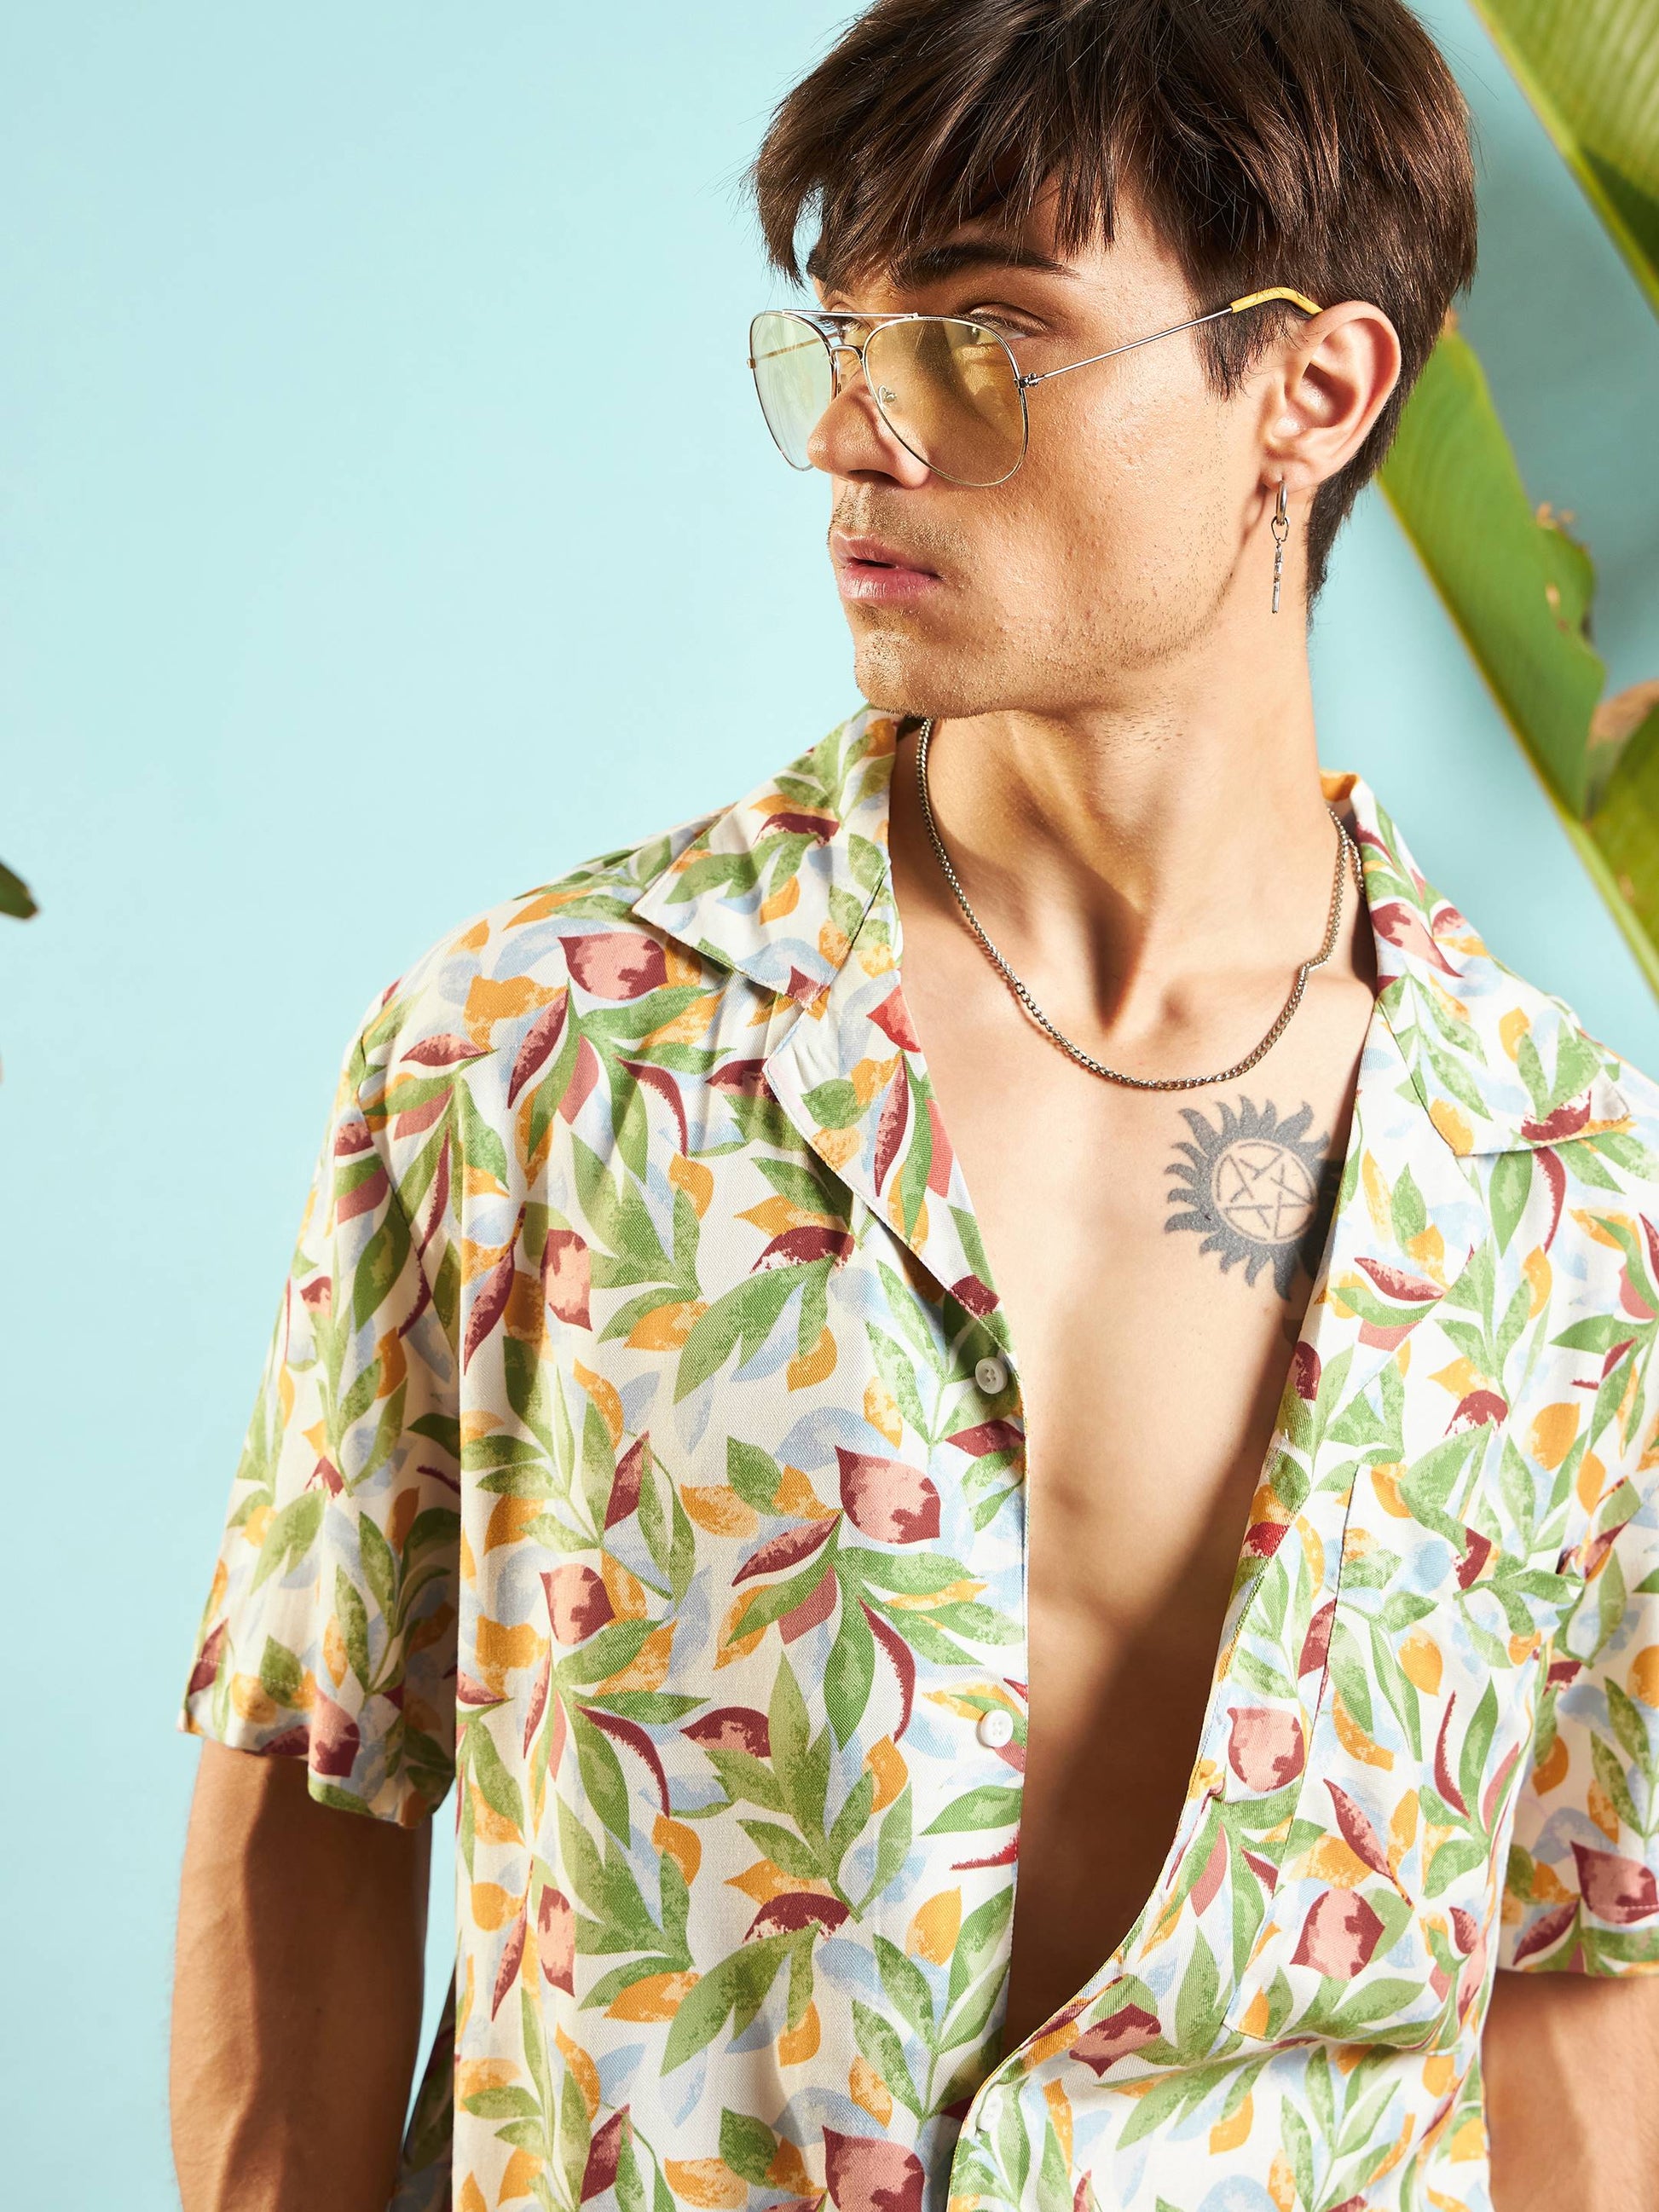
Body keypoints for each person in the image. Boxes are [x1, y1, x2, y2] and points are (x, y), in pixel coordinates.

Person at [170, 3, 1659, 2208]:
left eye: (981, 334)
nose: (856, 433)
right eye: (841, 334)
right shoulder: (535, 1052)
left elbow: (1575, 1958)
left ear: (1313, 388)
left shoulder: (1568, 1189)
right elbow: (315, 1786)